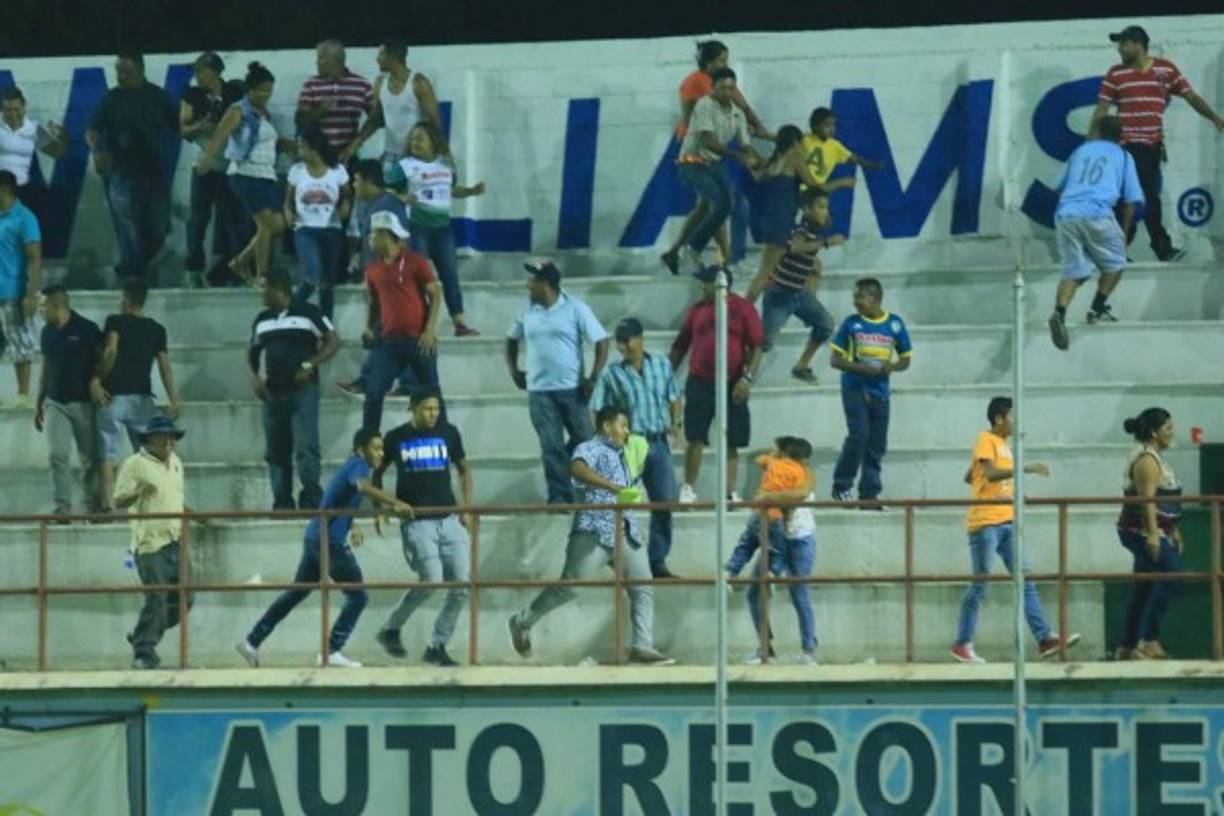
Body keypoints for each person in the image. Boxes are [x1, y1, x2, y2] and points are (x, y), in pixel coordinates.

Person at [507, 406, 674, 665]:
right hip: (594, 528)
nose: (627, 432)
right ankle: (523, 620)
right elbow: (577, 469)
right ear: (607, 426)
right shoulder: (589, 448)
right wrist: (611, 487)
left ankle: (642, 646)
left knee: (643, 586)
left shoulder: (623, 455)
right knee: (570, 586)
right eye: (623, 426)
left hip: (626, 530)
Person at [236, 428, 413, 669]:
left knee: (296, 593)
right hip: (329, 542)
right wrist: (395, 502)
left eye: (382, 449)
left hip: (314, 538)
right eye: (376, 448)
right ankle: (331, 650)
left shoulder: (351, 466)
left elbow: (334, 500)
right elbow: (361, 487)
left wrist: (352, 524)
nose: (381, 453)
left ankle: (251, 641)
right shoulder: (359, 465)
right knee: (358, 596)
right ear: (361, 450)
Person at [951, 397, 1080, 664]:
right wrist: (1026, 468)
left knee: (1026, 581)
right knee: (981, 584)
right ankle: (962, 643)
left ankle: (1045, 639)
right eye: (1012, 416)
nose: (1016, 422)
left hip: (1007, 521)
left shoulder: (1002, 445)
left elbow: (973, 475)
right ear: (999, 418)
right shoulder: (984, 438)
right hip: (986, 523)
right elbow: (988, 473)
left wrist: (990, 480)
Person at [1092, 25, 1224, 262]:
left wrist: (1214, 118)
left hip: (1152, 146)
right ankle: (1156, 247)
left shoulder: (1166, 69)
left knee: (1141, 197)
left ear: (1139, 45)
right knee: (1139, 197)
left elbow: (1190, 96)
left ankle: (1122, 248)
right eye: (1119, 44)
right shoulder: (1115, 74)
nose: (1120, 49)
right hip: (1126, 145)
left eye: (1124, 44)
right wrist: (1090, 142)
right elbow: (1102, 109)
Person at [373, 389, 474, 667]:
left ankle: (437, 646)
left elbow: (465, 468)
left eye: (436, 409)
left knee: (462, 585)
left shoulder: (450, 433)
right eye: (428, 409)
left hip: (449, 519)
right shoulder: (395, 437)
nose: (433, 414)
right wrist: (381, 508)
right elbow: (376, 473)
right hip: (417, 522)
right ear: (413, 408)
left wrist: (466, 506)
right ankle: (391, 629)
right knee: (430, 580)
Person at [660, 40, 769, 275]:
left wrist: (761, 160)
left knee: (715, 205)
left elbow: (743, 115)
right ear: (708, 65)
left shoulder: (730, 98)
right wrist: (738, 155)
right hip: (695, 158)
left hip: (715, 159)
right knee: (722, 203)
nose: (729, 92)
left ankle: (680, 252)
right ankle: (713, 253)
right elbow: (697, 129)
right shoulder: (700, 95)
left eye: (726, 61)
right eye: (720, 60)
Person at [506, 260, 609, 504]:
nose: (528, 285)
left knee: (585, 439)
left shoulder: (575, 308)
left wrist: (593, 377)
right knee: (550, 444)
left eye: (533, 281)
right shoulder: (527, 311)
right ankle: (559, 496)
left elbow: (602, 341)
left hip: (572, 389)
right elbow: (511, 340)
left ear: (546, 284)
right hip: (539, 391)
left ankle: (583, 488)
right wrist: (513, 370)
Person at [589, 317, 682, 577]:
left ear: (640, 339)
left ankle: (657, 560)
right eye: (619, 341)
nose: (623, 347)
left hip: (657, 440)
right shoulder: (612, 373)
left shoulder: (662, 365)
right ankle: (613, 553)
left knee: (664, 502)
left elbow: (674, 397)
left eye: (627, 340)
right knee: (618, 499)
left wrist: (676, 423)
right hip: (628, 443)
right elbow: (596, 407)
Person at [1047, 116, 1144, 350]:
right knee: (1116, 263)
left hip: (1067, 214)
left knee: (1074, 270)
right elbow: (1131, 199)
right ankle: (1097, 308)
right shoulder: (1123, 156)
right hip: (1098, 213)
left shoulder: (1081, 151)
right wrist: (1123, 231)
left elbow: (1055, 185)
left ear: (1098, 131)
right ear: (1120, 136)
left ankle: (1059, 313)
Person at [669, 264, 764, 503]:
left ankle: (729, 491)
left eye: (706, 282)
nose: (702, 287)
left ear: (720, 285)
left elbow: (756, 347)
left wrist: (747, 378)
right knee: (696, 436)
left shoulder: (743, 309)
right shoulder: (697, 310)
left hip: (733, 382)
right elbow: (681, 346)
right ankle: (688, 488)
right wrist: (665, 375)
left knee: (733, 438)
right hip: (700, 380)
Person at [249, 269, 340, 511]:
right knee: (276, 451)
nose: (261, 294)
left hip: (303, 390)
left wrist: (311, 363)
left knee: (306, 447)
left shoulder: (309, 312)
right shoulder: (261, 319)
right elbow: (252, 352)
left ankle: (311, 499)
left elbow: (333, 340)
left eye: (264, 288)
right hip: (273, 392)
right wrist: (255, 378)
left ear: (278, 289)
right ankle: (282, 502)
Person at [85, 51, 178, 284]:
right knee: (128, 227)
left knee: (157, 228)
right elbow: (93, 129)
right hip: (121, 172)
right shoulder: (111, 98)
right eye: (118, 72)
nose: (121, 77)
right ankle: (134, 276)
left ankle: (133, 267)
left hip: (155, 172)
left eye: (126, 72)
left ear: (141, 70)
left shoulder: (159, 97)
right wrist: (97, 150)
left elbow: (181, 126)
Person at [197, 62, 294, 282]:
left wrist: (295, 147)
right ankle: (261, 275)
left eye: (269, 90)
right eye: (262, 90)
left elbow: (271, 142)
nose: (266, 95)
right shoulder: (238, 110)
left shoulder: (264, 114)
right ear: (249, 90)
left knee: (279, 224)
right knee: (267, 225)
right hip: (245, 175)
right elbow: (220, 136)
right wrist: (206, 159)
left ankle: (239, 262)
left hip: (266, 176)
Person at [91, 279, 182, 513]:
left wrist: (99, 378)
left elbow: (111, 350)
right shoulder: (156, 329)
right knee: (148, 454)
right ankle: (153, 504)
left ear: (127, 299)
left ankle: (109, 506)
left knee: (107, 455)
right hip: (141, 397)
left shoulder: (115, 322)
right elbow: (164, 366)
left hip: (113, 396)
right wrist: (174, 398)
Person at [114, 416, 192, 669]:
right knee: (157, 598)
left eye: (172, 437)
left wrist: (191, 514)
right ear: (150, 439)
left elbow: (174, 498)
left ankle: (142, 635)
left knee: (186, 599)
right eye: (164, 437)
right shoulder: (134, 464)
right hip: (150, 543)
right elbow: (118, 501)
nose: (170, 442)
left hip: (175, 539)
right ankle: (144, 651)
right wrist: (139, 492)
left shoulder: (177, 463)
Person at [829, 278, 913, 506]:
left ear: (874, 298)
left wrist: (891, 367)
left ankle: (869, 493)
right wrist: (860, 368)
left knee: (876, 444)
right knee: (859, 435)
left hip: (881, 391)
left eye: (859, 297)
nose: (855, 302)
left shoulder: (894, 324)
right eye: (854, 297)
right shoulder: (850, 324)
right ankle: (841, 486)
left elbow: (905, 359)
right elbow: (835, 360)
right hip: (855, 388)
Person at [748, 188, 844, 385]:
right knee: (764, 343)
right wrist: (826, 243)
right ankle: (744, 375)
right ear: (806, 209)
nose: (825, 211)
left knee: (826, 325)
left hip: (799, 295)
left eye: (826, 207)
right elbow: (795, 247)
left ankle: (801, 367)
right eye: (820, 207)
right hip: (779, 295)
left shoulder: (815, 230)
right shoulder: (801, 230)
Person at [399, 121, 485, 336]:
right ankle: (417, 321)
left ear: (433, 142)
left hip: (443, 229)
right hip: (418, 226)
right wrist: (402, 197)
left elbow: (451, 190)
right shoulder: (406, 165)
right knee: (419, 276)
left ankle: (459, 322)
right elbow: (388, 191)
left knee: (450, 275)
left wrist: (472, 191)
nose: (415, 142)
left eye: (420, 138)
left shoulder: (445, 165)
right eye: (413, 138)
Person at [362, 209, 443, 432]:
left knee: (432, 393)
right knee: (374, 391)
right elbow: (373, 303)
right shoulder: (372, 270)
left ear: (385, 234)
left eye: (373, 234)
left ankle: (443, 439)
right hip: (389, 342)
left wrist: (429, 331)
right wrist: (368, 327)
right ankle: (368, 441)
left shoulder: (415, 262)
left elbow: (435, 295)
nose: (370, 239)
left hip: (419, 339)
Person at [1115, 407, 1184, 661]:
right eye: (1167, 428)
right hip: (1140, 531)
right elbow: (1147, 500)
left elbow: (1167, 499)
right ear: (1155, 432)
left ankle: (1127, 645)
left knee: (1144, 586)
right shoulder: (1146, 460)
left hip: (1154, 530)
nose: (1172, 433)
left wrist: (1172, 529)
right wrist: (1155, 535)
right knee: (1171, 572)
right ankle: (1149, 640)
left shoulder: (1157, 456)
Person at [337, 160, 410, 396]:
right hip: (383, 279)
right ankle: (405, 382)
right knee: (389, 333)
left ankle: (373, 381)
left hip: (389, 281)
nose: (354, 185)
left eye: (356, 180)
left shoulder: (384, 207)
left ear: (369, 180)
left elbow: (396, 244)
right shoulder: (373, 205)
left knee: (386, 332)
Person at [35, 285, 103, 518]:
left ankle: (90, 505)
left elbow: (102, 362)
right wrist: (38, 403)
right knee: (58, 455)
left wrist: (96, 380)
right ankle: (63, 507)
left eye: (43, 306)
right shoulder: (47, 333)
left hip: (84, 403)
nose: (40, 311)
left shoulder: (88, 329)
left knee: (90, 459)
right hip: (55, 403)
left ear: (57, 306)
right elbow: (45, 368)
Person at [180, 52, 246, 286]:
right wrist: (203, 124)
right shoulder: (193, 95)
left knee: (236, 222)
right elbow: (184, 129)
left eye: (201, 71)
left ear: (215, 72)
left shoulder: (235, 93)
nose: (197, 76)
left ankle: (238, 271)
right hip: (205, 166)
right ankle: (194, 270)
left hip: (231, 166)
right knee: (197, 220)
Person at [742, 125, 826, 303]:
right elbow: (812, 183)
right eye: (802, 142)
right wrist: (838, 183)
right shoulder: (794, 157)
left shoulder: (774, 162)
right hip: (781, 222)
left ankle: (811, 312)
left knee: (813, 265)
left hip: (771, 221)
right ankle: (742, 314)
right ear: (795, 142)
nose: (804, 145)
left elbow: (758, 175)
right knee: (764, 274)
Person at [341, 40, 443, 179]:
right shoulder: (380, 83)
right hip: (391, 154)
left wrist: (439, 156)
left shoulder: (418, 83)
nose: (377, 59)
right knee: (390, 196)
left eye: (381, 55)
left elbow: (435, 123)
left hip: (417, 155)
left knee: (415, 198)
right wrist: (355, 144)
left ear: (392, 57)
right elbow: (375, 120)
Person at [743, 486, 819, 665]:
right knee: (754, 592)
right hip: (775, 536)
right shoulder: (773, 465)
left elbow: (799, 493)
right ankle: (766, 649)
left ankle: (809, 650)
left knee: (799, 593)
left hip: (798, 538)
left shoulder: (802, 470)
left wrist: (768, 496)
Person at [284, 124, 351, 319]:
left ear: (314, 148)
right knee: (312, 276)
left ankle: (325, 326)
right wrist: (288, 212)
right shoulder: (297, 170)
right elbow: (287, 200)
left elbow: (347, 195)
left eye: (302, 146)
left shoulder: (337, 170)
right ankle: (289, 312)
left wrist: (345, 206)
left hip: (332, 230)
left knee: (327, 284)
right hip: (305, 229)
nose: (298, 150)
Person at [724, 437, 813, 580]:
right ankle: (773, 573)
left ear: (783, 452)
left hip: (758, 513)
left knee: (746, 545)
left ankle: (730, 571)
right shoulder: (800, 472)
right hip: (776, 517)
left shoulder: (773, 463)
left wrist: (772, 456)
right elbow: (799, 494)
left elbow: (758, 460)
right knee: (779, 550)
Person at [0, 169, 43, 408]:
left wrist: (31, 293)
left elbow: (35, 258)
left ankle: (23, 394)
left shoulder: (24, 218)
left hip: (13, 293)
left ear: (4, 189)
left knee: (20, 343)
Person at [0, 86, 67, 228]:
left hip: (23, 191)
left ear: (24, 107)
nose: (13, 114)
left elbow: (56, 152)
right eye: (8, 110)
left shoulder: (33, 128)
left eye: (16, 109)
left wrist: (62, 137)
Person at [296, 40, 374, 155]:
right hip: (318, 154)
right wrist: (320, 111)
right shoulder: (311, 84)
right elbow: (299, 120)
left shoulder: (362, 84)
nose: (317, 62)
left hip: (348, 153)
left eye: (321, 58)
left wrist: (357, 142)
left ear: (335, 60)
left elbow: (375, 119)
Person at [801, 108, 884, 195]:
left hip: (816, 190)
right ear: (816, 127)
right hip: (799, 187)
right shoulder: (805, 139)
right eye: (827, 125)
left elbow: (856, 159)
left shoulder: (835, 146)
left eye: (833, 125)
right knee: (843, 182)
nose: (832, 129)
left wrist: (874, 165)